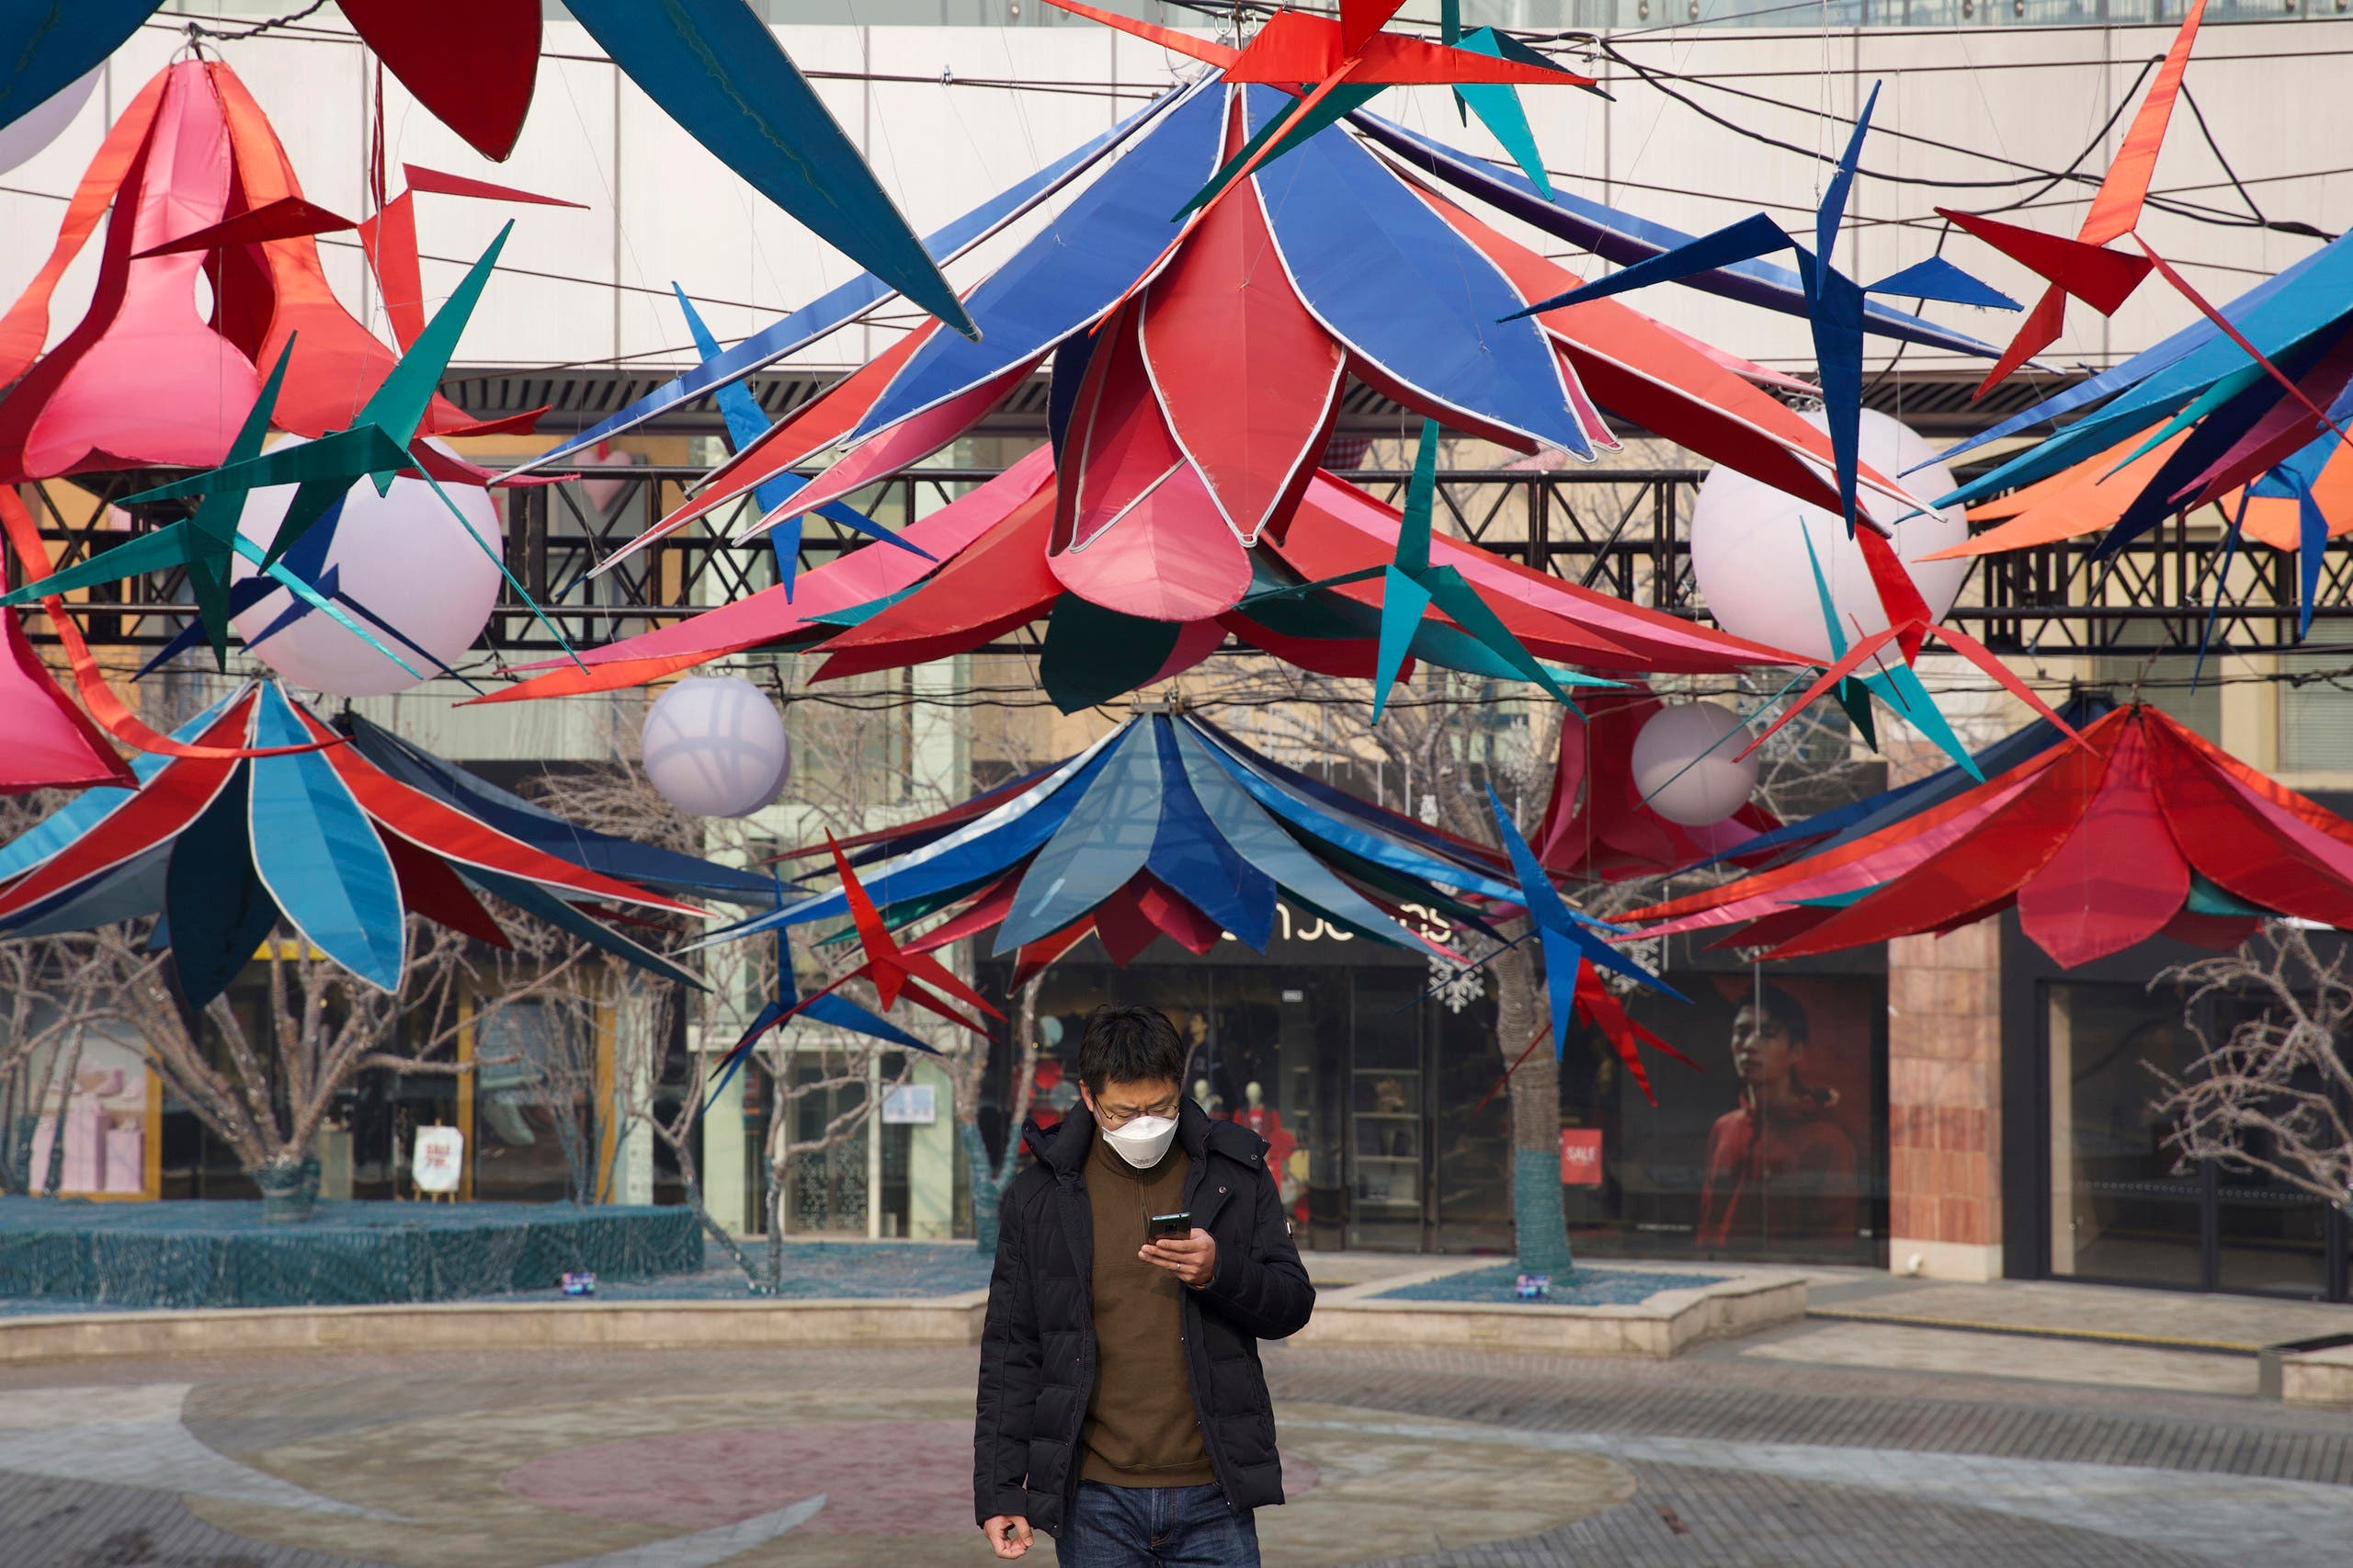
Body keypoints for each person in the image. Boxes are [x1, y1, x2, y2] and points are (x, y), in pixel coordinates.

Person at [975, 1004, 1315, 1565]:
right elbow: (1012, 1351)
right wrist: (1000, 1489)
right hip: (1093, 1500)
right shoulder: (1039, 1196)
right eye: (1122, 1113)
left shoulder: (1236, 1172)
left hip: (1215, 1493)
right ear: (1088, 1096)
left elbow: (1292, 1304)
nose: (1144, 1126)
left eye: (1160, 1108)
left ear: (1180, 1089)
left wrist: (1219, 1271)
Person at [1695, 984, 1859, 1247]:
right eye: (1741, 1032)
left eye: (1768, 1034)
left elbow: (1834, 1241)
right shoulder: (1724, 1128)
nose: (1749, 1045)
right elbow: (1707, 1220)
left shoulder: (1828, 1140)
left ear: (1796, 1051)